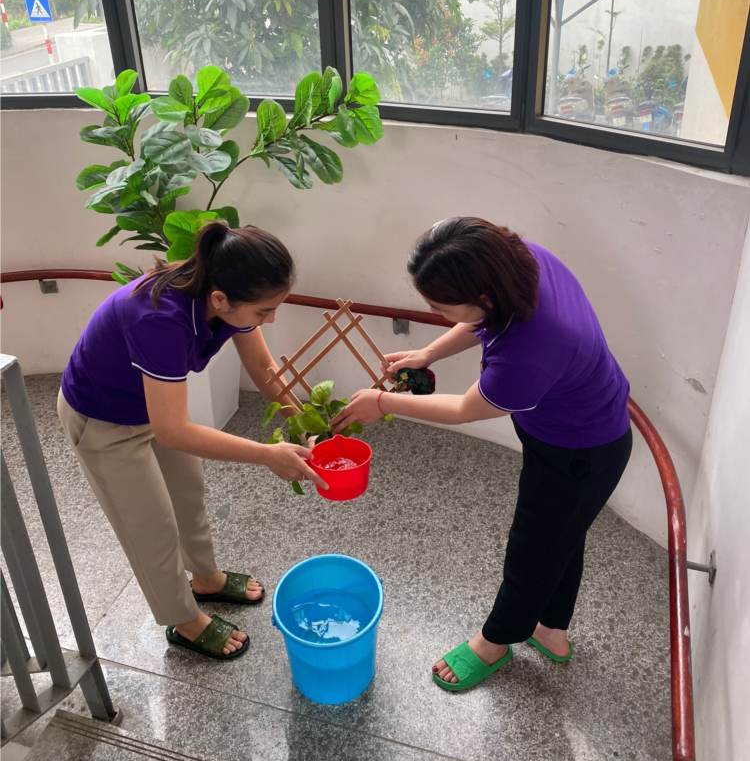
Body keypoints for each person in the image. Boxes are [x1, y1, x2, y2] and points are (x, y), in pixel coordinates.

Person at [333, 217, 631, 692]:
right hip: (584, 426)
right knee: (561, 535)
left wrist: (383, 403)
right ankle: (550, 630)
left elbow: (463, 410)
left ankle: (494, 644)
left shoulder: (532, 348)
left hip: (579, 451)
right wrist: (428, 354)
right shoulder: (522, 261)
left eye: (439, 306)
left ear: (484, 294)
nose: (434, 312)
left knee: (532, 549)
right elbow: (484, 319)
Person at [58, 221, 326, 661]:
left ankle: (206, 579)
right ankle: (183, 619)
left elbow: (263, 368)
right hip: (103, 420)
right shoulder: (159, 319)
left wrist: (303, 422)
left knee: (188, 492)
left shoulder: (225, 289)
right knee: (150, 526)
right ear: (220, 299)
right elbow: (174, 431)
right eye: (264, 312)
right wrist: (267, 455)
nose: (271, 318)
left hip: (151, 407)